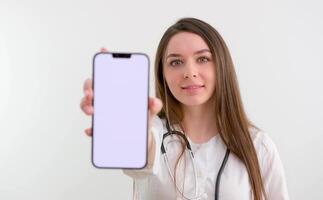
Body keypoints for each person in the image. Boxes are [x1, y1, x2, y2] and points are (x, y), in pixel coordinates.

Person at [80, 18, 289, 200]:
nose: (189, 72)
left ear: (221, 67)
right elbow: (140, 154)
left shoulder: (258, 146)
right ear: (163, 73)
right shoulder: (152, 131)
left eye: (203, 59)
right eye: (176, 62)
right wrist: (123, 118)